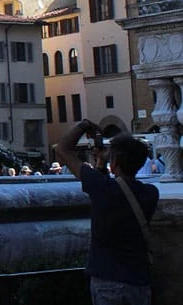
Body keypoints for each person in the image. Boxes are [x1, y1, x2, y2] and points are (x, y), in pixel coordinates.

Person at [56, 120, 159, 305]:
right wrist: (103, 165)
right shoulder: (151, 194)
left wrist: (83, 126)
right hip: (140, 283)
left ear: (116, 162)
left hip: (108, 282)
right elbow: (119, 192)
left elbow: (63, 150)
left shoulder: (102, 188)